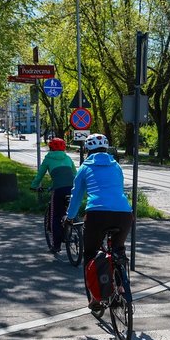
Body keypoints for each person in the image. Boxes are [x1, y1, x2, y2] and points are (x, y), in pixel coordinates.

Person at [63, 133, 133, 310]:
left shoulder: (85, 168)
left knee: (91, 254)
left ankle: (95, 298)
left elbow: (76, 195)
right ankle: (122, 286)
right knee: (118, 250)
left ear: (87, 149)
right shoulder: (116, 165)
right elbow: (119, 188)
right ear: (106, 148)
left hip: (97, 215)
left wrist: (70, 217)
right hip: (124, 214)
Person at [31, 137, 77, 253]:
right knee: (71, 210)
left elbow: (40, 174)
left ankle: (56, 245)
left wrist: (34, 185)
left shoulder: (48, 159)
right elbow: (75, 174)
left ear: (50, 148)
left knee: (55, 216)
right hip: (72, 188)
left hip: (59, 190)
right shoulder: (68, 158)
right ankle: (74, 226)